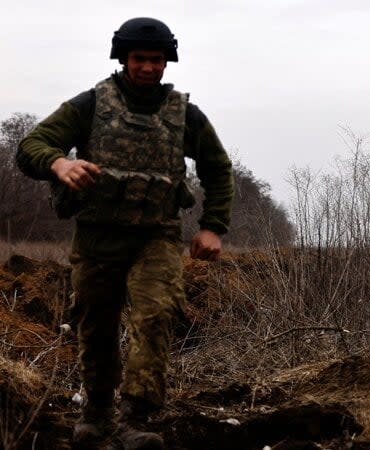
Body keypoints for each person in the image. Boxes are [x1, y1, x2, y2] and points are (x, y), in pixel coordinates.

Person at [16, 17, 233, 449]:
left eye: (157, 60)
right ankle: (96, 411)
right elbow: (31, 146)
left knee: (155, 317)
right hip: (98, 238)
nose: (149, 68)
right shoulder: (90, 105)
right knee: (96, 324)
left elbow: (217, 169)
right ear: (123, 58)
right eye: (140, 59)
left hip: (157, 238)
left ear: (167, 62)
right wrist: (59, 163)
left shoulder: (184, 115)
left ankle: (138, 418)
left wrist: (213, 227)